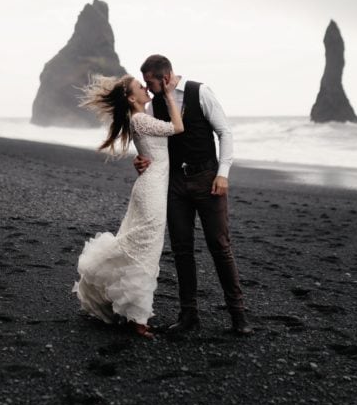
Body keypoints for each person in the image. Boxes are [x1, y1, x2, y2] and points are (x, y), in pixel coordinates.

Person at [135, 54, 253, 336]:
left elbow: (224, 132)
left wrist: (223, 173)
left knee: (220, 246)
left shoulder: (200, 91)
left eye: (150, 82)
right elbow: (152, 144)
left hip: (207, 179)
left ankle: (238, 316)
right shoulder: (154, 105)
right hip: (174, 183)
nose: (147, 88)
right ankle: (189, 317)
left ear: (164, 78)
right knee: (181, 250)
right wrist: (140, 161)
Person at [72, 74, 184, 338]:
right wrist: (169, 94)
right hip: (152, 191)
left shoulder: (140, 119)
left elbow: (154, 150)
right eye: (140, 87)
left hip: (151, 187)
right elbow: (178, 128)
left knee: (142, 248)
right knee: (145, 250)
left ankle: (133, 312)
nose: (146, 89)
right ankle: (137, 318)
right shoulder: (140, 118)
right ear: (132, 98)